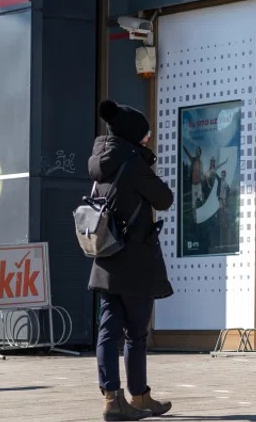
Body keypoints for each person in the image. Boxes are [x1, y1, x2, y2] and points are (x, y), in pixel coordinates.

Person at [89, 100, 174, 421]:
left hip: (107, 255)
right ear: (133, 135)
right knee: (136, 332)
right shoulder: (133, 162)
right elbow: (164, 198)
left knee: (108, 329)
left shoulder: (101, 163)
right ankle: (138, 396)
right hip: (135, 259)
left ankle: (113, 398)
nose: (149, 138)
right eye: (145, 133)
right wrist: (146, 162)